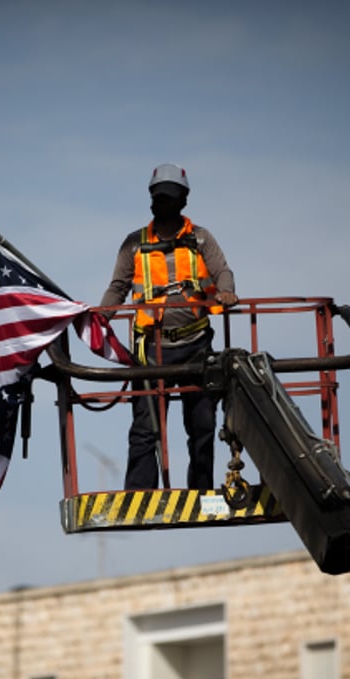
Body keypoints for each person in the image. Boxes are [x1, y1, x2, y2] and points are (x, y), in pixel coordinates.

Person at [99, 163, 238, 490]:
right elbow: (117, 288)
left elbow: (223, 272)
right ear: (151, 200)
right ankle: (140, 492)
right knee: (146, 426)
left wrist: (227, 291)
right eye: (159, 197)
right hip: (151, 351)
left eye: (170, 198)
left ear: (183, 201)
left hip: (196, 345)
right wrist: (100, 316)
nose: (163, 203)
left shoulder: (201, 239)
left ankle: (201, 488)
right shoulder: (133, 244)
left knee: (202, 423)